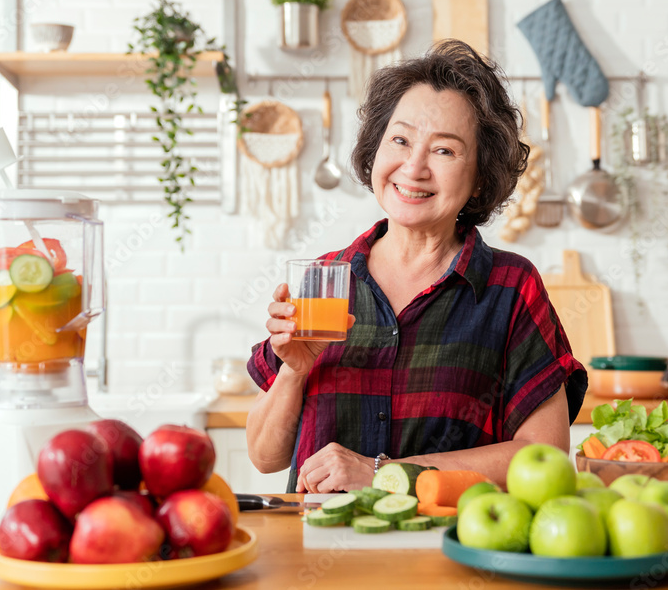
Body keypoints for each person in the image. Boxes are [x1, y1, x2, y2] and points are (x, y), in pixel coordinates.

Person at [246, 40, 588, 494]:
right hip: (322, 555)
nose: (414, 167)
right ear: (376, 149)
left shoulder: (510, 288)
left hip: (450, 554)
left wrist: (385, 474)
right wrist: (294, 370)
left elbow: (543, 457)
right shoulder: (324, 279)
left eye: (444, 151)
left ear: (481, 175)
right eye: (401, 140)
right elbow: (265, 456)